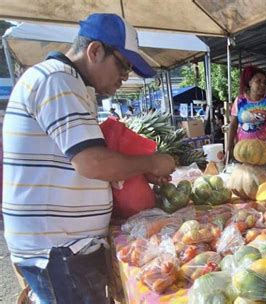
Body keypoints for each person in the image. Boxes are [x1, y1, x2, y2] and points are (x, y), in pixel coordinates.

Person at [2, 13, 176, 303]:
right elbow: (92, 162)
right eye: (122, 65)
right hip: (58, 252)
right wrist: (150, 162)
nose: (125, 76)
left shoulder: (67, 83)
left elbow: (80, 160)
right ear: (95, 51)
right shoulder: (58, 80)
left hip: (63, 248)